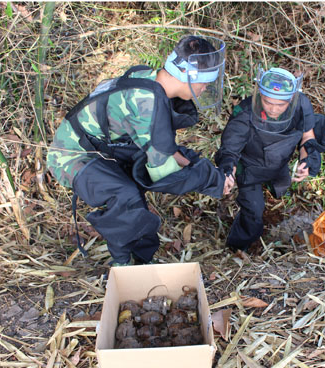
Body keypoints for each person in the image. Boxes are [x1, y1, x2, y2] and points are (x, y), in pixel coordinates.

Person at [47, 35, 233, 266]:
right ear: (187, 76)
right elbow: (164, 176)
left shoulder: (153, 80)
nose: (205, 89)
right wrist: (212, 180)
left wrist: (202, 167)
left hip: (105, 149)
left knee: (134, 196)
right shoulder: (147, 102)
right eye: (204, 83)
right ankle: (123, 268)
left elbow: (165, 148)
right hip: (71, 156)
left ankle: (142, 262)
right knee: (125, 196)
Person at [216, 67, 325, 253]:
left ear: (291, 99)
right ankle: (237, 248)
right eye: (268, 102)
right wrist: (228, 172)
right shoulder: (245, 112)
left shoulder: (301, 105)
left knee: (280, 189)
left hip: (279, 161)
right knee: (253, 211)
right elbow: (231, 150)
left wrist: (306, 161)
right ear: (260, 95)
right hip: (250, 166)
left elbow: (307, 136)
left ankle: (272, 198)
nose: (273, 108)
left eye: (281, 104)